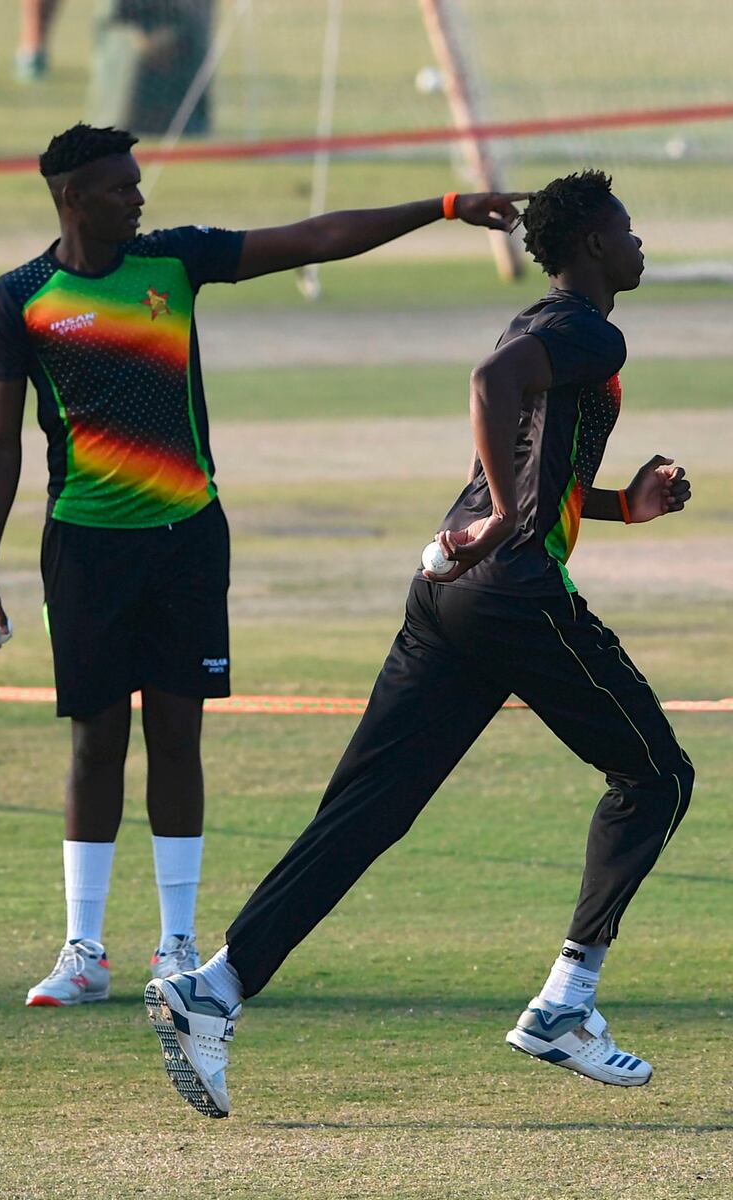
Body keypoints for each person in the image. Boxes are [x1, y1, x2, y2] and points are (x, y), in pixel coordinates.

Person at [143, 170, 694, 1118]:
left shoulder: (538, 323)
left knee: (368, 810)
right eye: (628, 229)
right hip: (513, 595)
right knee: (657, 775)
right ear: (595, 247)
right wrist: (515, 519)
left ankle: (214, 989)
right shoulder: (587, 328)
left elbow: (523, 456)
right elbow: (491, 394)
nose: (640, 243)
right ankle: (566, 1002)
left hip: (447, 590)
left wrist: (618, 506)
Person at [0, 120, 524, 1007]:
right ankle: (83, 951)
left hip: (187, 537)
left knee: (177, 734)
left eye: (137, 181)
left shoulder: (176, 263)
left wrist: (444, 206)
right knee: (95, 741)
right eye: (120, 187)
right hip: (86, 544)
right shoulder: (21, 298)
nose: (138, 197)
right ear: (72, 198)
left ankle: (176, 945)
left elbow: (315, 238)